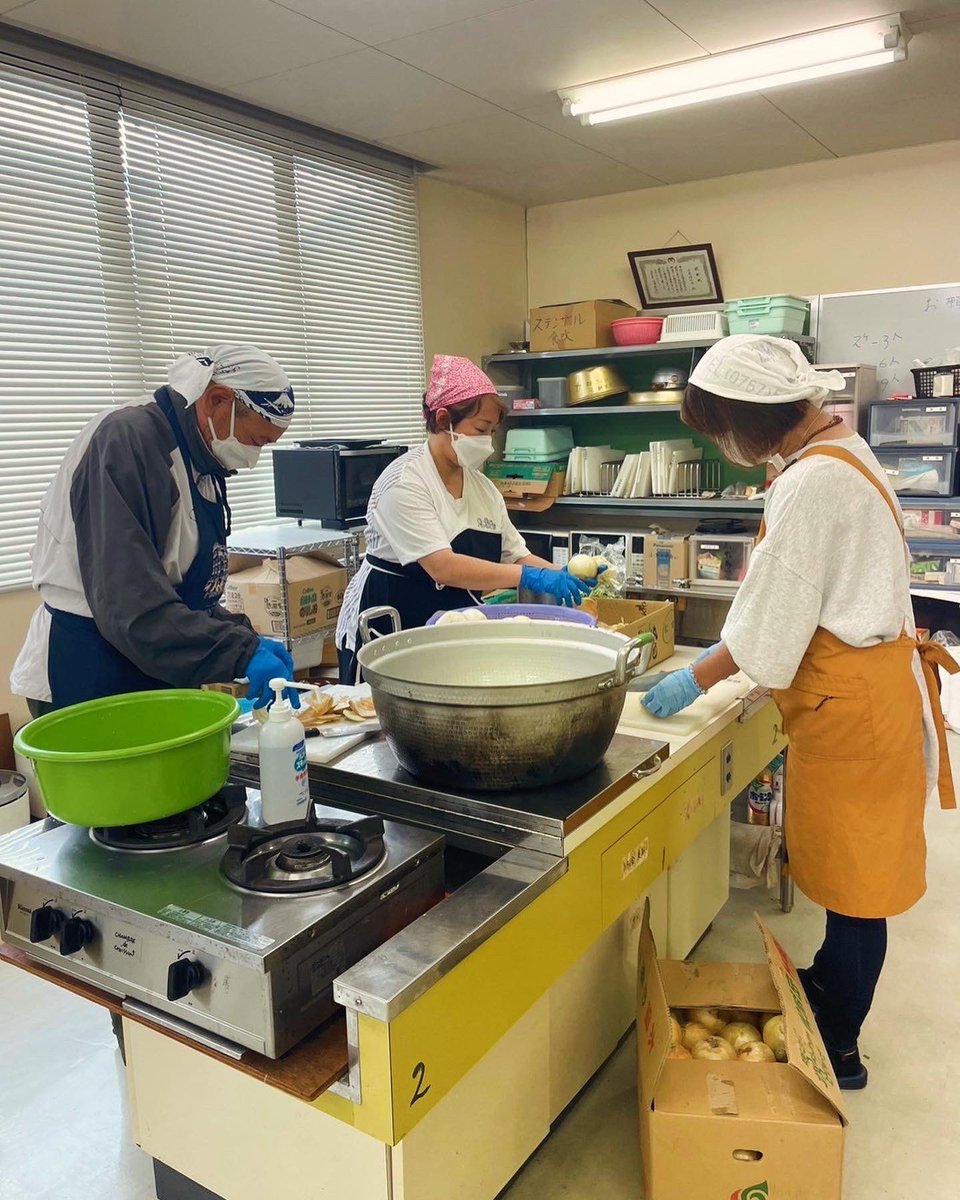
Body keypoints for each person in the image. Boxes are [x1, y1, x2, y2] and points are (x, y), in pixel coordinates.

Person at [641, 334, 957, 1090]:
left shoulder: (812, 483)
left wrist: (699, 678)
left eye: (721, 427)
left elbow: (771, 625)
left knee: (857, 889)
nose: (723, 444)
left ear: (753, 416)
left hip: (852, 705)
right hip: (865, 688)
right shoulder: (839, 447)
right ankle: (825, 982)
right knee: (853, 873)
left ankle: (839, 1046)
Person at [11, 344, 299, 714]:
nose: (253, 458)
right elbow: (131, 605)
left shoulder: (200, 459)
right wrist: (239, 652)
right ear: (216, 400)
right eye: (256, 440)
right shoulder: (127, 442)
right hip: (92, 666)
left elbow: (183, 588)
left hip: (148, 661)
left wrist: (246, 638)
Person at [336, 354, 594, 681]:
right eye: (481, 429)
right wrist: (529, 578)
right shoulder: (403, 484)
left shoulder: (483, 489)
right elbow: (443, 566)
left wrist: (565, 574)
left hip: (452, 627)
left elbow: (517, 555)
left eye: (492, 431)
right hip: (393, 627)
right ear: (444, 420)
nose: (488, 441)